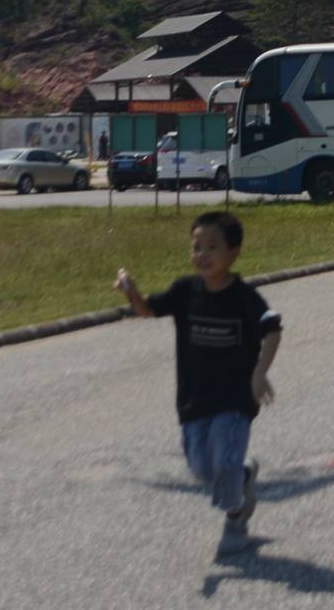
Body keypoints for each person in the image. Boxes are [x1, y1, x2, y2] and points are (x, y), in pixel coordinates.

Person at [116, 211, 282, 559]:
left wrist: (259, 373)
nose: (201, 254)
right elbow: (148, 311)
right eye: (196, 247)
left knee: (222, 464)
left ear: (233, 253)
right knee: (202, 469)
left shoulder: (244, 298)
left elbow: (272, 330)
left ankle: (236, 521)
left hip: (236, 400)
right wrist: (132, 292)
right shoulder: (184, 291)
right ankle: (243, 475)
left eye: (211, 247)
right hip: (193, 399)